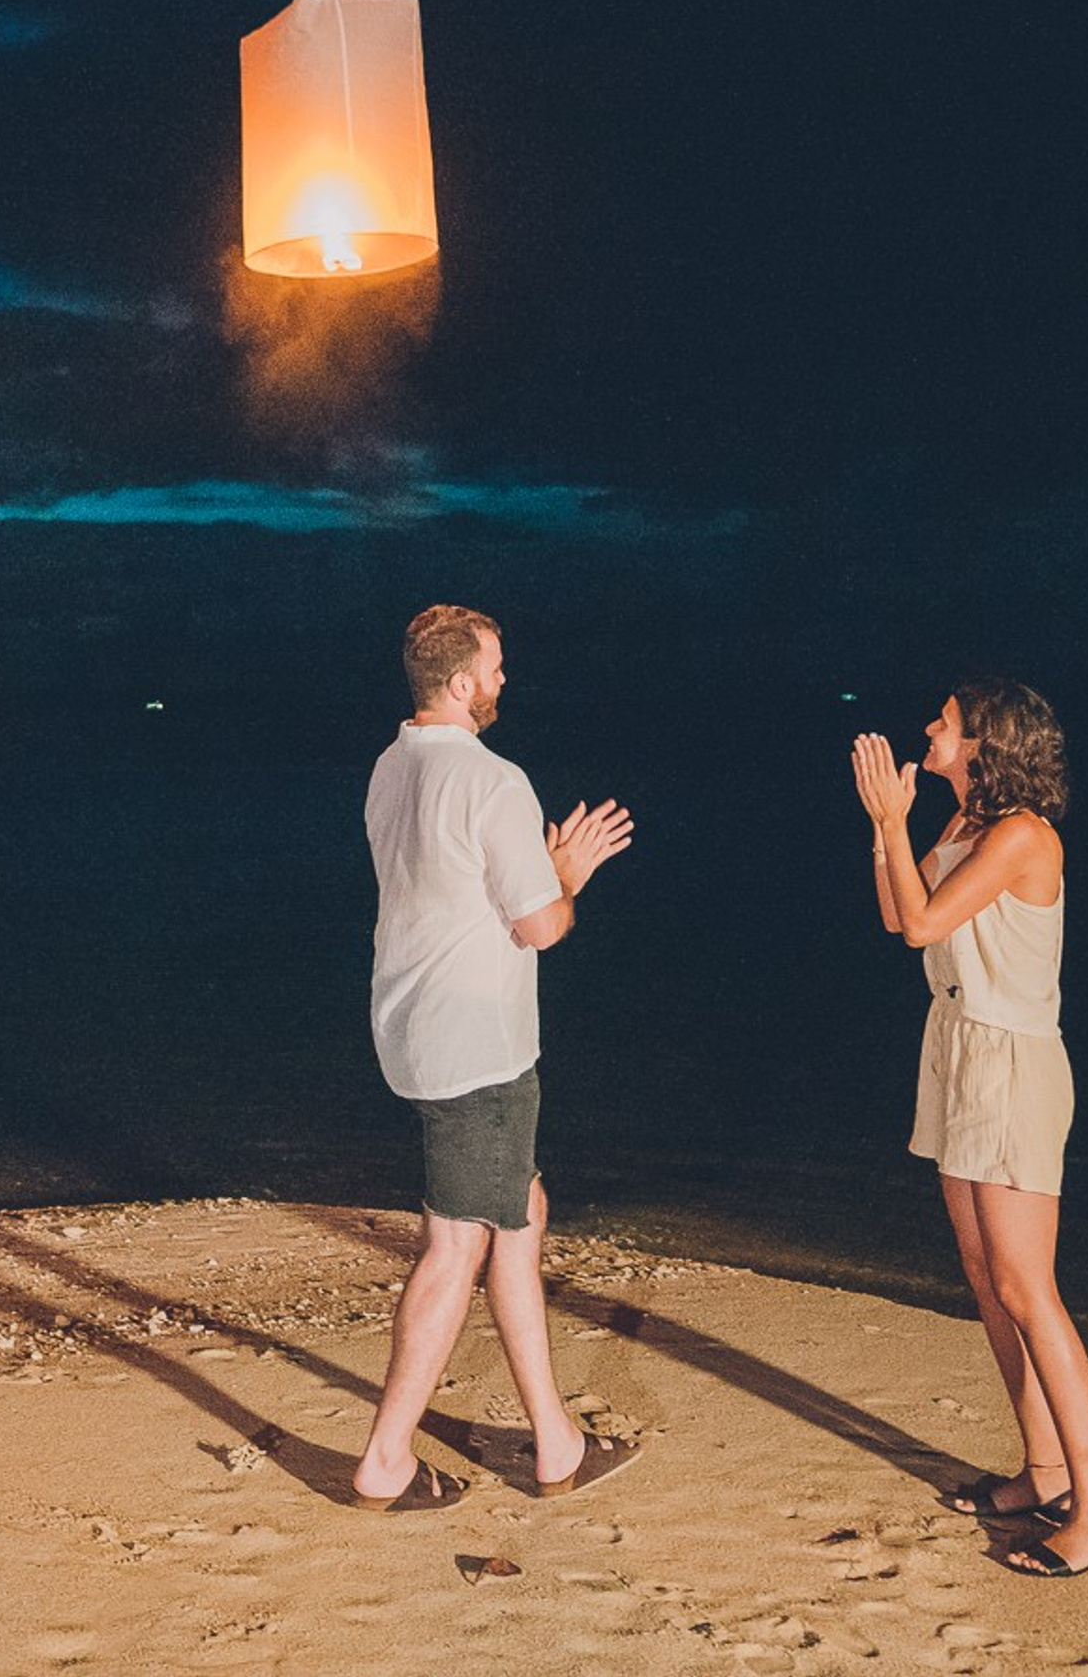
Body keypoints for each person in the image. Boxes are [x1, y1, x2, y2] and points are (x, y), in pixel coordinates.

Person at [349, 604, 639, 1511]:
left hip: (412, 1026)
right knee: (454, 1244)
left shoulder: (390, 768)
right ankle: (386, 1458)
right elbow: (542, 926)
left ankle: (556, 1442)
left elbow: (450, 893)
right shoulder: (494, 781)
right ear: (463, 680)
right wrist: (569, 874)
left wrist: (537, 873)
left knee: (521, 1210)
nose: (506, 679)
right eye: (498, 666)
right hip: (477, 1045)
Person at [852, 681, 1088, 1578]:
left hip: (1012, 1064)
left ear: (983, 741)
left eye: (945, 720)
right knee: (985, 1277)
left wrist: (893, 821)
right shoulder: (966, 827)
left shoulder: (1021, 837)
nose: (930, 728)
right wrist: (884, 825)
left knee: (1026, 1286)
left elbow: (923, 922)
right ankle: (1044, 1471)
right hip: (958, 1050)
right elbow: (900, 914)